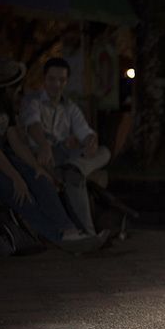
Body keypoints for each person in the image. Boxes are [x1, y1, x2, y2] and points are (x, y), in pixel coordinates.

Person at [0, 57, 108, 253]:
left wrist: (36, 168)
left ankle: (69, 231)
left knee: (41, 180)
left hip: (4, 156)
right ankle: (59, 238)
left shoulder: (6, 102)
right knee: (18, 191)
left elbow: (15, 142)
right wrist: (16, 177)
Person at [20, 57, 111, 235]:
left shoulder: (70, 107)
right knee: (74, 177)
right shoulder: (33, 101)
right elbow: (33, 125)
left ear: (66, 81)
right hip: (44, 156)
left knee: (104, 151)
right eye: (52, 79)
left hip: (69, 158)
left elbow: (84, 132)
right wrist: (45, 145)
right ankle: (89, 233)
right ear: (44, 79)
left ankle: (76, 168)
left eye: (61, 80)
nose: (56, 84)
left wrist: (90, 141)